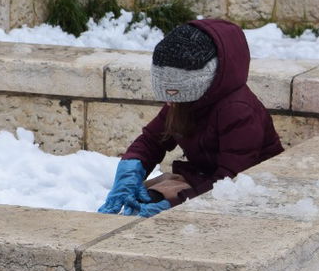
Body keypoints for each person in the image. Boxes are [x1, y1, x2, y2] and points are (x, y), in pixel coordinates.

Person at [98, 18, 282, 217]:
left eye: (175, 96)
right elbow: (152, 140)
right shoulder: (183, 103)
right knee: (140, 198)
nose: (169, 104)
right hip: (203, 178)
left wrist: (176, 204)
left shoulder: (238, 110)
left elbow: (233, 179)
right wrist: (130, 171)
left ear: (201, 84)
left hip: (251, 188)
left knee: (161, 215)